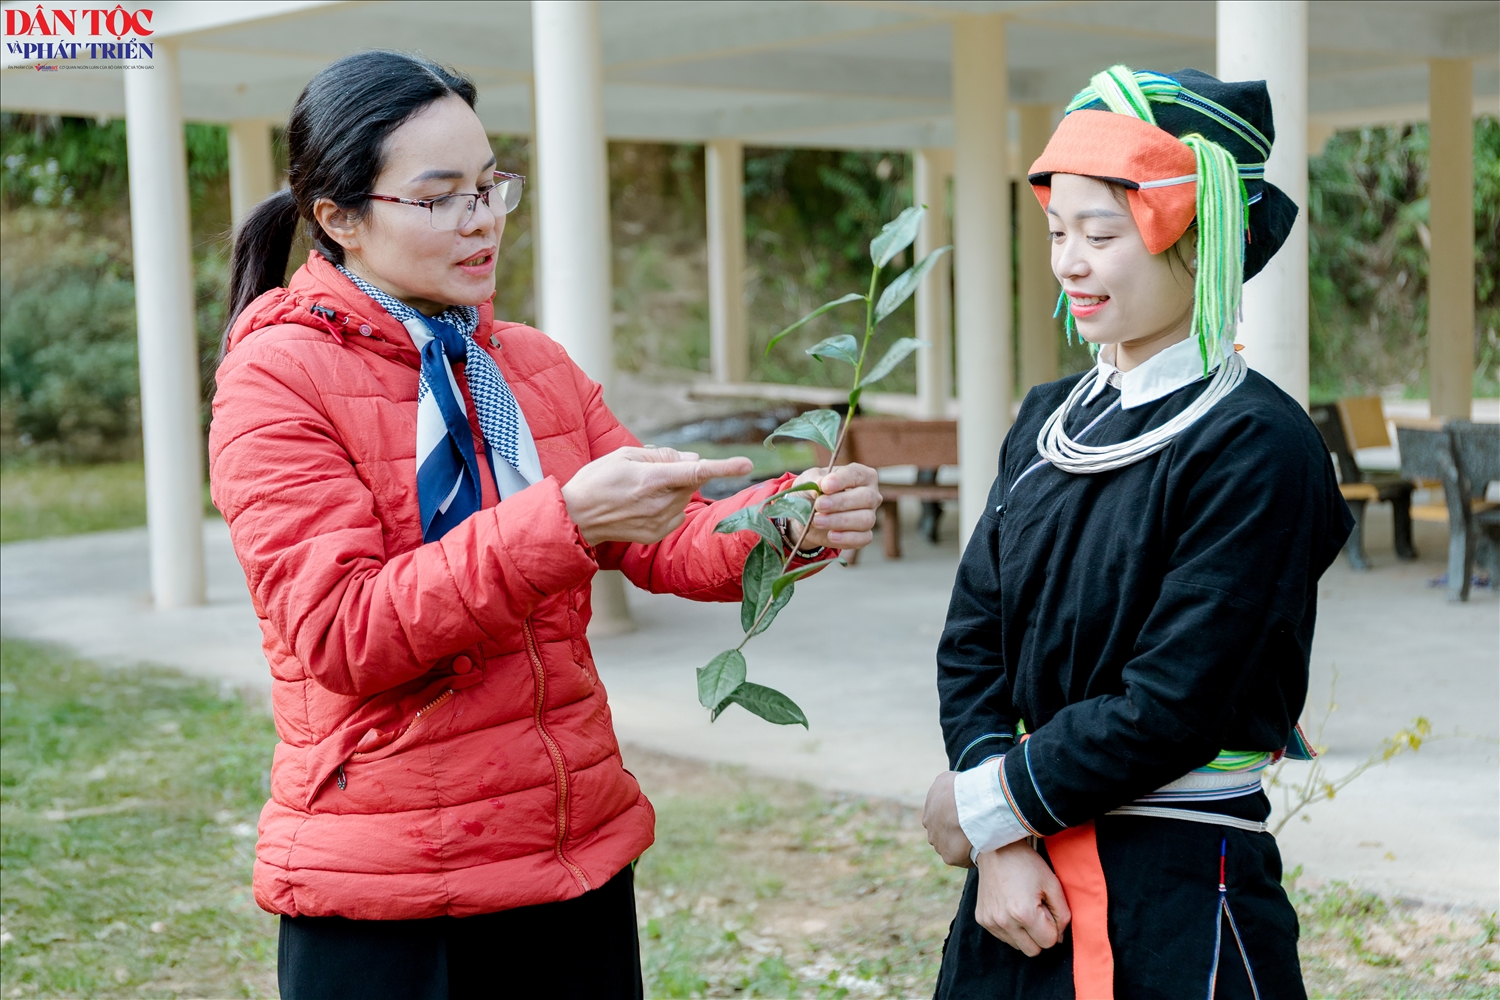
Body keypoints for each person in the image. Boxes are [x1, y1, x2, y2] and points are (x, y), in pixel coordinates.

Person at [209, 50, 881, 1000]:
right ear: (340, 218)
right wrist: (561, 521)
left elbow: (664, 537)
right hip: (393, 892)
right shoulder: (276, 379)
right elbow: (343, 633)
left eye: (490, 187)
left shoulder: (528, 364)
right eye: (439, 197)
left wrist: (785, 518)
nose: (482, 219)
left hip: (572, 860)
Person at [920, 66, 1352, 999]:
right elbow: (973, 642)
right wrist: (1001, 844)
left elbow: (1174, 703)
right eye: (1057, 231)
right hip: (1016, 893)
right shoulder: (1047, 418)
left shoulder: (1258, 447)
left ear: (1198, 238)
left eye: (1101, 234)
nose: (1069, 263)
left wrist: (984, 805)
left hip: (1179, 889)